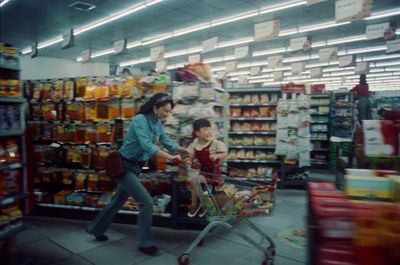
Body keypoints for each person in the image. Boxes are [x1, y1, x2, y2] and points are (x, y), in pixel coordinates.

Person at [86, 93, 188, 255]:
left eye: (169, 112)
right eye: (165, 110)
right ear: (155, 107)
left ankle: (95, 229)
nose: (167, 114)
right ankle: (144, 243)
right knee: (146, 202)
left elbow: (167, 141)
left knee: (118, 201)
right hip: (124, 166)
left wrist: (183, 150)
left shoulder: (158, 123)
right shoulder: (140, 120)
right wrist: (171, 158)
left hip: (136, 167)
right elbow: (147, 145)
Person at [186, 119, 228, 217]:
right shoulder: (195, 145)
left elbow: (224, 153)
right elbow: (190, 155)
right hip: (203, 172)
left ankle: (196, 205)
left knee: (197, 181)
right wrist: (189, 160)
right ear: (197, 133)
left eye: (210, 129)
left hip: (214, 173)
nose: (209, 132)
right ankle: (200, 204)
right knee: (193, 181)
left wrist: (217, 156)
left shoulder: (215, 143)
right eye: (205, 129)